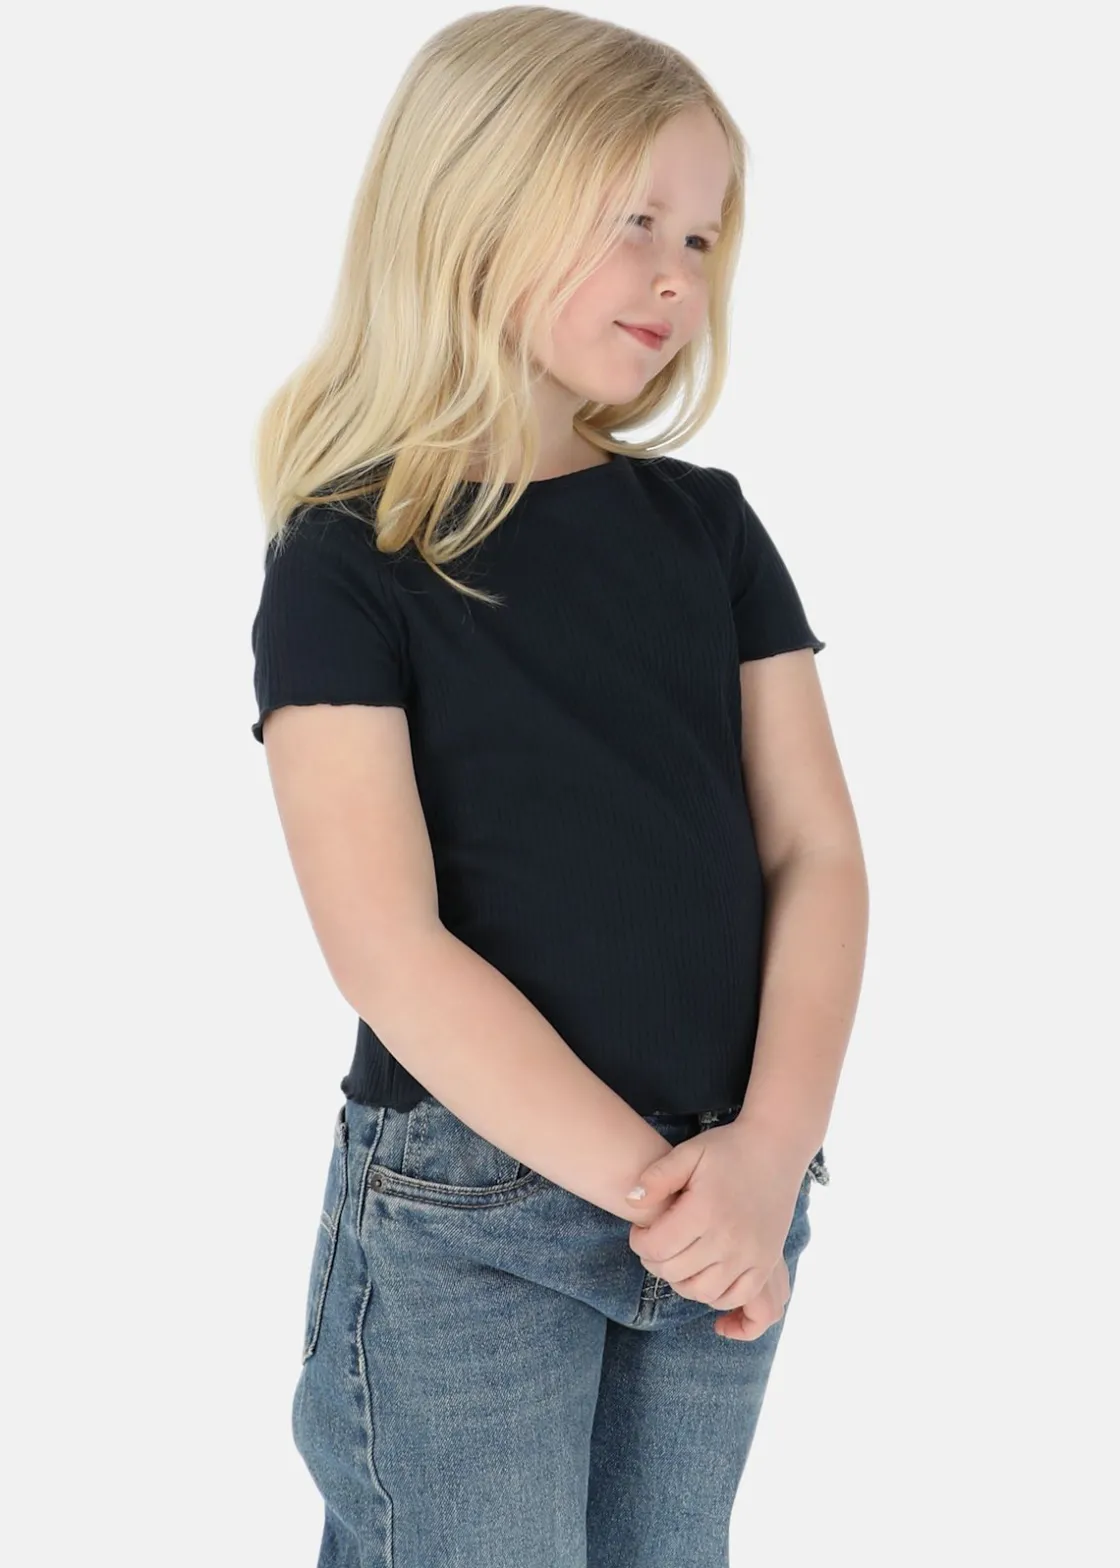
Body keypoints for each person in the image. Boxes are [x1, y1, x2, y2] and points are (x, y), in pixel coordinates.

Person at [249, 8, 869, 1566]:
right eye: (633, 223)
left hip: (727, 1183)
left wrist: (764, 1156)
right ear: (471, 205)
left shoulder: (709, 530)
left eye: (701, 239)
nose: (676, 277)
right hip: (477, 1209)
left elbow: (817, 854)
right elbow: (387, 947)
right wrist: (655, 1191)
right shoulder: (345, 562)